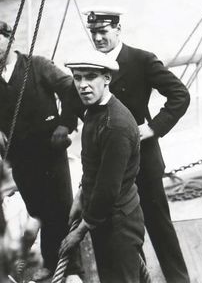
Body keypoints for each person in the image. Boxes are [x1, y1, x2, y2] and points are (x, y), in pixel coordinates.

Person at [67, 9, 192, 283]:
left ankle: (178, 279)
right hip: (111, 163)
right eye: (94, 33)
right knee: (124, 234)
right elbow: (80, 105)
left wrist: (153, 128)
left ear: (118, 29)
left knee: (159, 225)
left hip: (143, 159)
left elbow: (180, 95)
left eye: (104, 32)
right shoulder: (91, 68)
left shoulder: (140, 59)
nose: (98, 38)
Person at [0, 21, 82, 282]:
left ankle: (74, 269)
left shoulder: (38, 65)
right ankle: (51, 262)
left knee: (62, 208)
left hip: (50, 152)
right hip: (19, 156)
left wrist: (65, 124)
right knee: (38, 210)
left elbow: (71, 90)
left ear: (10, 39)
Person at [59, 49, 148, 282]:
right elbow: (93, 167)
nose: (83, 85)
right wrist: (80, 196)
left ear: (107, 78)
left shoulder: (114, 126)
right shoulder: (94, 111)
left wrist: (80, 231)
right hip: (103, 219)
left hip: (119, 223)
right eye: (77, 78)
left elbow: (108, 188)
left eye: (90, 77)